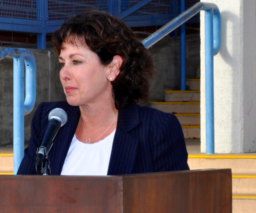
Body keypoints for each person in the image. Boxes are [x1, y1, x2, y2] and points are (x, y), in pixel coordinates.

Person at [18, 10, 189, 175]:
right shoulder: (50, 121)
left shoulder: (156, 129)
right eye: (63, 63)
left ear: (113, 68)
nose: (64, 74)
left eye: (76, 61)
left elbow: (174, 201)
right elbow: (19, 193)